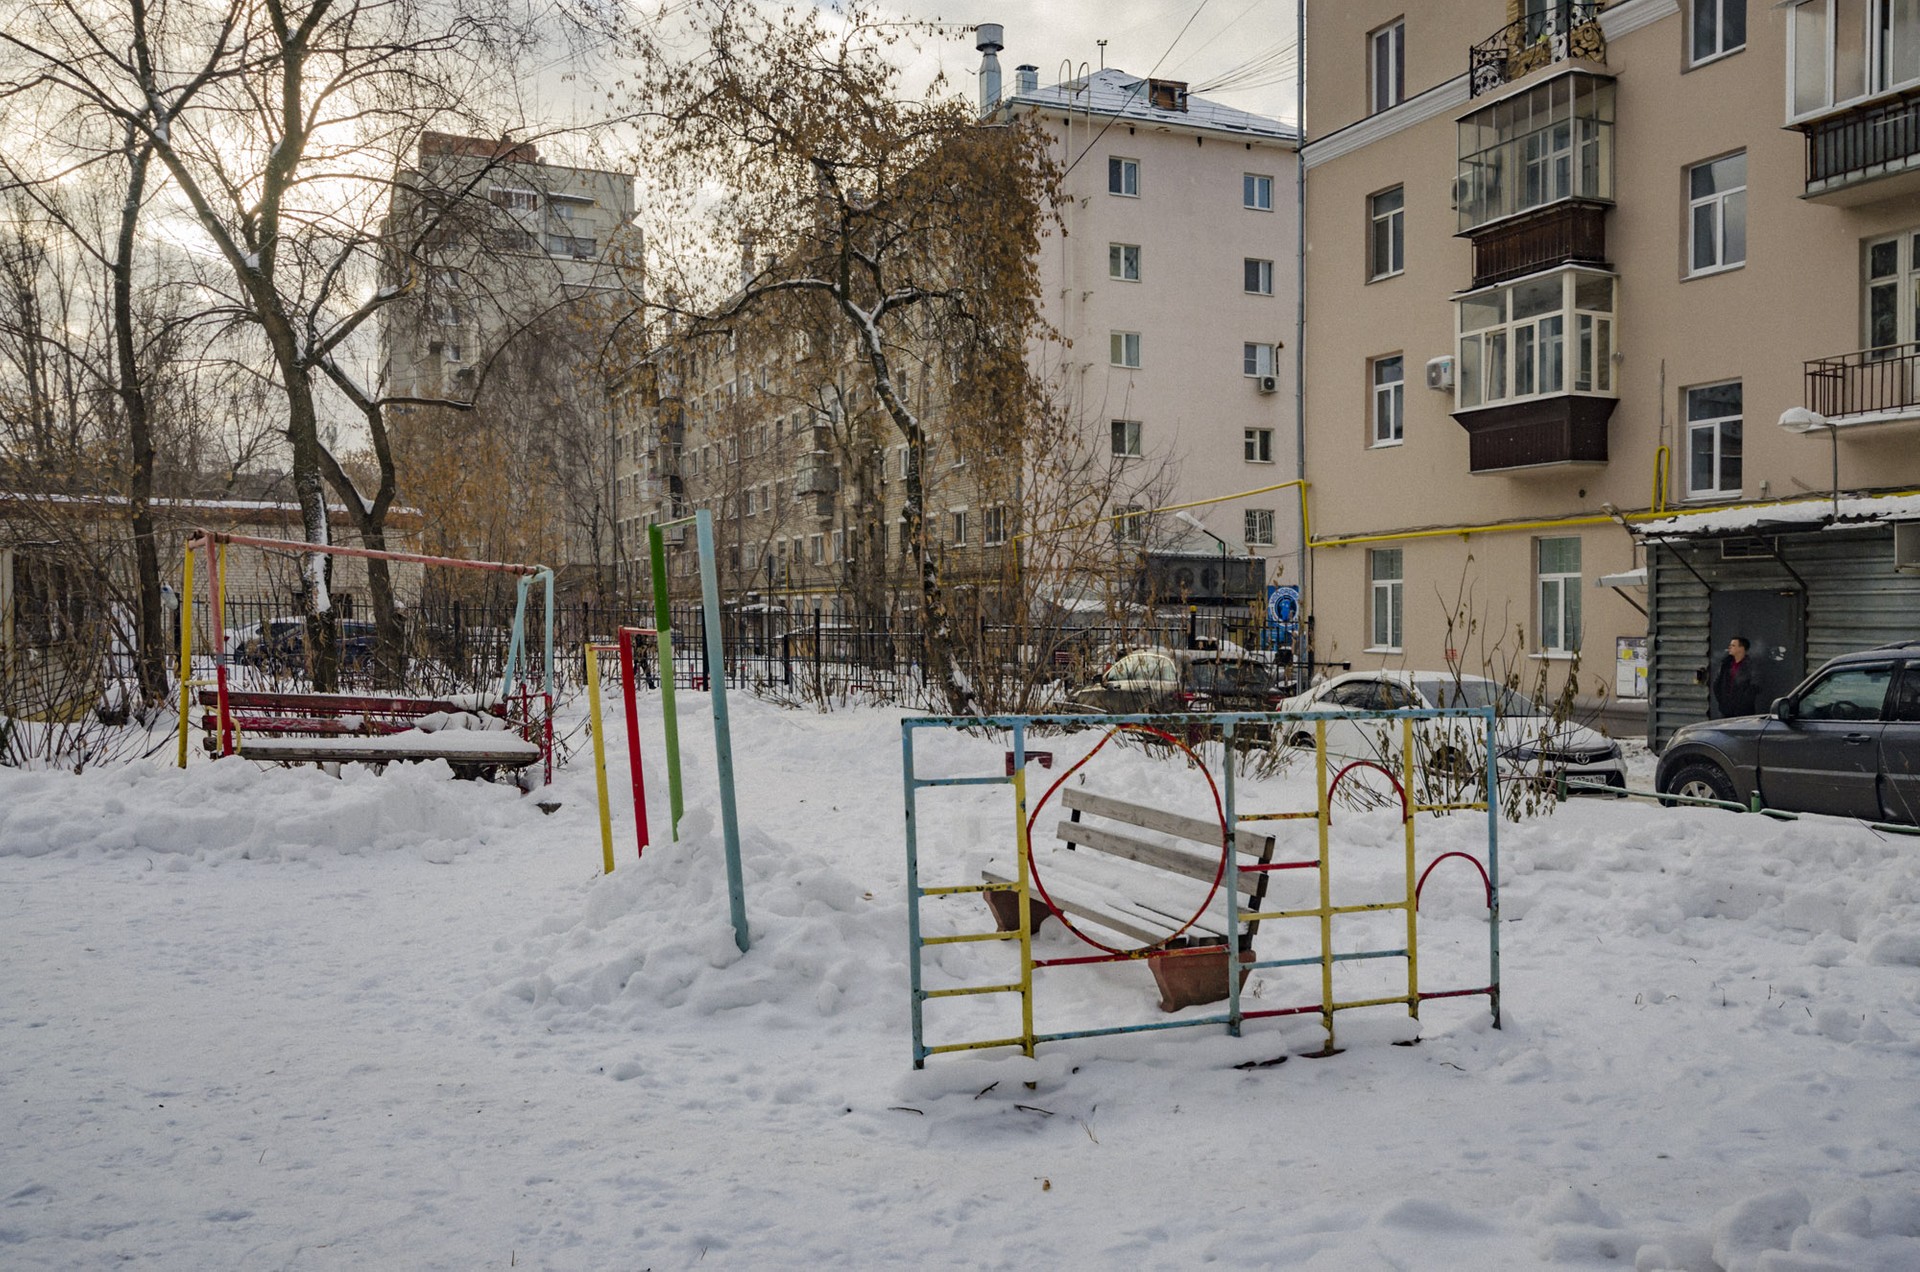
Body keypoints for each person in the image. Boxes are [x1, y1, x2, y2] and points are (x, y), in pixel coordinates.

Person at [1711, 635, 1761, 717]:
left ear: (1741, 649)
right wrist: (1722, 702)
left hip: (1743, 712)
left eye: (1733, 645)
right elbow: (1717, 684)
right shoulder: (1725, 664)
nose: (1729, 647)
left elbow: (1755, 687)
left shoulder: (1751, 666)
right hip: (1725, 711)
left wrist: (1742, 704)